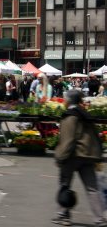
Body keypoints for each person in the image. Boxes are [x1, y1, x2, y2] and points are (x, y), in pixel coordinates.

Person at [52, 90, 107, 226]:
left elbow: (68, 140)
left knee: (65, 185)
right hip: (88, 156)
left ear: (68, 100)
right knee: (92, 188)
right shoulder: (84, 114)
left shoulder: (70, 116)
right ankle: (99, 218)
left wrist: (60, 157)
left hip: (73, 156)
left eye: (65, 99)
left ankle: (63, 216)